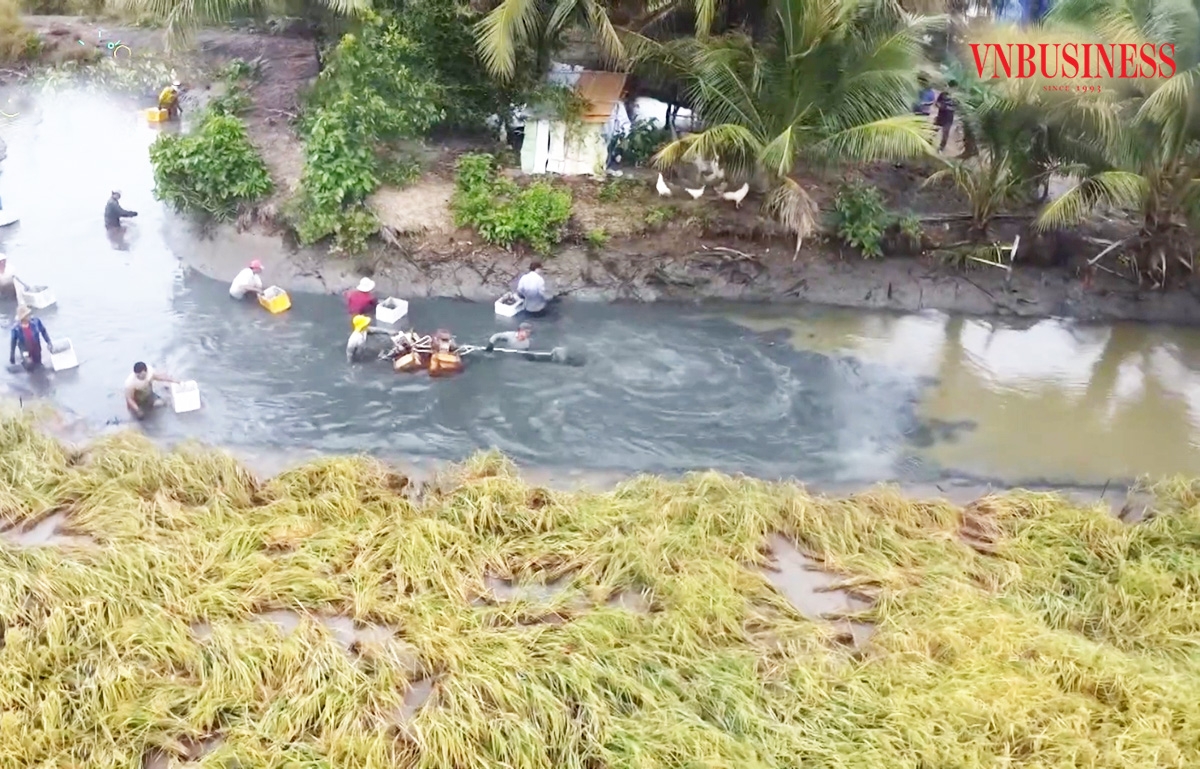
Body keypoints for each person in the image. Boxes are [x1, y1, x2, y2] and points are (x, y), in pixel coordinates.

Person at [9, 306, 51, 370]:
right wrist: (12, 355)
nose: (29, 316)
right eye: (27, 315)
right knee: (28, 364)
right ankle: (25, 364)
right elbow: (13, 342)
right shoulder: (16, 329)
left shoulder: (36, 321)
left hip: (36, 347)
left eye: (29, 314)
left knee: (38, 364)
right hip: (25, 348)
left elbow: (43, 331)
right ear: (23, 317)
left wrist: (48, 342)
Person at [935, 82, 957, 153]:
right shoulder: (943, 94)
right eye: (950, 87)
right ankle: (928, 142)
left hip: (949, 118)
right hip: (941, 116)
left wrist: (947, 107)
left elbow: (957, 108)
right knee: (934, 130)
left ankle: (941, 148)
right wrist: (940, 106)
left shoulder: (956, 98)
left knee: (945, 134)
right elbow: (937, 103)